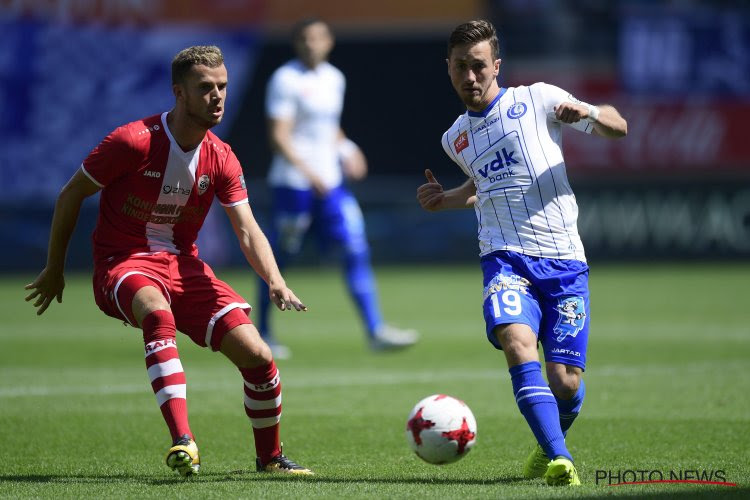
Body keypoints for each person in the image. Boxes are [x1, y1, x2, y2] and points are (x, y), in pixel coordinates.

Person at [24, 45, 314, 478]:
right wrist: (55, 267)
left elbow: (248, 229)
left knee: (258, 356)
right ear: (179, 93)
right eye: (205, 88)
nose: (217, 97)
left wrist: (274, 279)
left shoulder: (222, 157)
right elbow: (71, 194)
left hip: (183, 267)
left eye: (222, 87)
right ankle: (183, 441)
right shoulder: (131, 141)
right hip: (122, 263)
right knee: (156, 312)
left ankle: (270, 459)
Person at [417, 20, 627, 486]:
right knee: (517, 343)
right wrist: (446, 198)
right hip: (504, 258)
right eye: (459, 68)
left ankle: (547, 442)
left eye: (478, 66)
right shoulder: (455, 139)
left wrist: (586, 115)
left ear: (496, 66)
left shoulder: (537, 98)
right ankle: (559, 458)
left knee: (566, 381)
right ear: (447, 70)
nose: (470, 77)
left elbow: (619, 125)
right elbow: (487, 186)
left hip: (564, 259)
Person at [258, 18, 418, 358]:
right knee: (278, 258)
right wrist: (307, 170)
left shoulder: (334, 79)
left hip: (330, 184)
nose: (311, 44)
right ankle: (263, 331)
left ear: (328, 42)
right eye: (304, 38)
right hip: (294, 185)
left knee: (355, 248)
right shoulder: (286, 79)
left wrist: (347, 149)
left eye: (317, 38)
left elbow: (328, 128)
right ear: (296, 43)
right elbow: (279, 136)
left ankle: (376, 331)